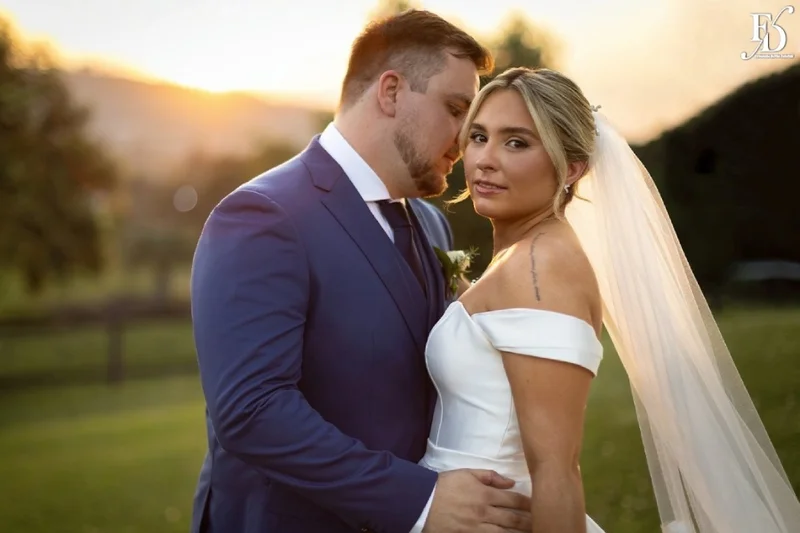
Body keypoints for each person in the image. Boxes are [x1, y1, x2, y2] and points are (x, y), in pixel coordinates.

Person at [189, 10, 532, 533]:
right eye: (456, 108)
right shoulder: (263, 215)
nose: (467, 140)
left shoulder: (432, 225)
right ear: (391, 92)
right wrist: (420, 501)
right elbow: (253, 410)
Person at [418, 65, 800, 533]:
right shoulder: (523, 257)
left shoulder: (541, 267)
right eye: (478, 136)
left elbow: (556, 469)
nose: (484, 159)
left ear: (572, 167)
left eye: (516, 142)